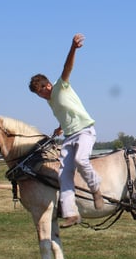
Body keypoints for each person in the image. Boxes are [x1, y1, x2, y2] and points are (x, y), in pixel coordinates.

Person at [29, 33, 104, 228]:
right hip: (70, 136)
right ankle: (71, 213)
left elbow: (67, 68)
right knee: (64, 174)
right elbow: (66, 112)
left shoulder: (60, 87)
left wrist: (73, 48)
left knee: (81, 160)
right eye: (38, 94)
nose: (41, 95)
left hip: (85, 131)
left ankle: (96, 190)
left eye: (42, 91)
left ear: (48, 85)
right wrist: (60, 127)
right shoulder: (50, 101)